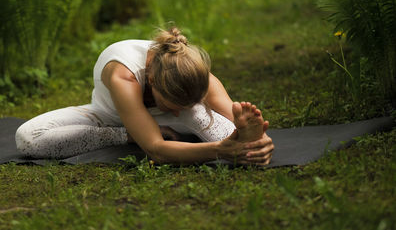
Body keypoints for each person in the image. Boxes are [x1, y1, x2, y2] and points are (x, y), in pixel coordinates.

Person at [15, 27, 274, 165]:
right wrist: (219, 151)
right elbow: (156, 151)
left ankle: (208, 123)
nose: (174, 111)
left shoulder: (195, 75)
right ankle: (127, 135)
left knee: (219, 131)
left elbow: (238, 123)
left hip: (189, 113)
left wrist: (258, 141)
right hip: (109, 115)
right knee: (28, 138)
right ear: (151, 81)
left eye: (179, 107)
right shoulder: (123, 75)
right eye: (169, 105)